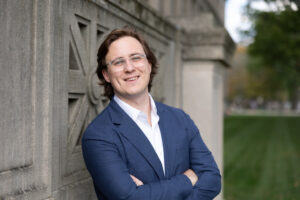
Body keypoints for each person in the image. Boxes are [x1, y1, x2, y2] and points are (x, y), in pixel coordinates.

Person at [82, 26, 221, 200]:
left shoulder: (180, 119)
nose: (129, 68)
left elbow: (213, 179)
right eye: (118, 62)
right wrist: (188, 178)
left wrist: (147, 192)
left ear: (148, 64)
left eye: (136, 58)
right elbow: (130, 198)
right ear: (106, 75)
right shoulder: (98, 135)